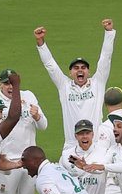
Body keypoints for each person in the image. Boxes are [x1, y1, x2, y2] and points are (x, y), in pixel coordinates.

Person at [34, 19, 115, 148]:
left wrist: (109, 32)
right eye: (76, 68)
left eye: (83, 68)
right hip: (71, 145)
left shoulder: (98, 83)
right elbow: (50, 65)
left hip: (96, 144)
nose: (80, 70)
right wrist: (41, 43)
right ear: (70, 73)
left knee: (96, 168)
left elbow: (106, 57)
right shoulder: (64, 86)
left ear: (88, 71)